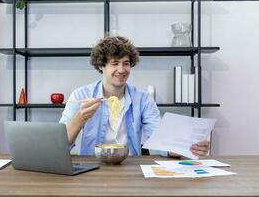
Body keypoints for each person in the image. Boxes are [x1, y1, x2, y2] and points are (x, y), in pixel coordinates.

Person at [59, 35, 209, 157]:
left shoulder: (143, 99)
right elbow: (60, 145)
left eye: (126, 63)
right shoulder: (81, 95)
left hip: (131, 168)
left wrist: (188, 147)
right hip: (92, 168)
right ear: (101, 65)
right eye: (115, 63)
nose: (121, 69)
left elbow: (161, 139)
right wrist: (80, 118)